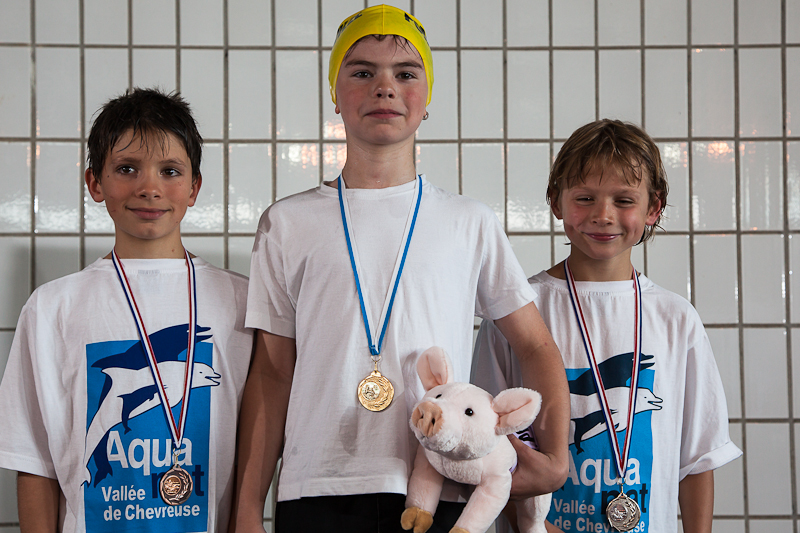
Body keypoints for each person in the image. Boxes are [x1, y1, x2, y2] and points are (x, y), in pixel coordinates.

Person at [228, 5, 570, 532]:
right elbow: (273, 374)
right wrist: (248, 508)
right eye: (362, 71)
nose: (384, 87)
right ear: (335, 93)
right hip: (317, 487)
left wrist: (555, 457)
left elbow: (536, 345)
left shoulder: (468, 221)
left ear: (427, 98)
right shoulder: (287, 223)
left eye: (406, 74)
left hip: (439, 481)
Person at [0, 88, 253, 533]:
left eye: (169, 171)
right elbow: (34, 460)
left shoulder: (241, 301)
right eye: (127, 169)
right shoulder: (52, 307)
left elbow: (259, 447)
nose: (149, 188)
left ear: (194, 187)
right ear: (95, 183)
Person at [473, 119, 743, 533]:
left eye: (623, 200)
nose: (603, 215)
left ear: (653, 208)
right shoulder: (517, 311)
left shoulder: (675, 318)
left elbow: (697, 459)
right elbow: (486, 448)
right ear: (556, 202)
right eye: (585, 198)